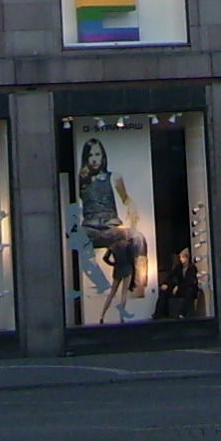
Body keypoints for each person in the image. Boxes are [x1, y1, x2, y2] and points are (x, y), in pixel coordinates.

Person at [75, 137, 148, 324]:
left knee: (139, 238)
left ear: (103, 156)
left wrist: (132, 207)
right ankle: (100, 284)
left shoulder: (114, 177)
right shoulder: (82, 179)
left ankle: (139, 285)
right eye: (90, 155)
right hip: (90, 227)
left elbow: (126, 199)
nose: (94, 159)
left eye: (97, 154)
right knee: (77, 240)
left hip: (112, 227)